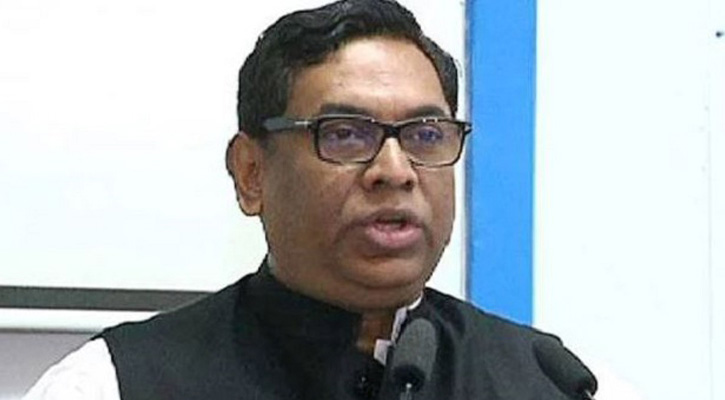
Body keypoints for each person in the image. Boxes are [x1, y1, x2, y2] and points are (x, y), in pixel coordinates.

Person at [24, 1, 593, 399]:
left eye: (425, 135)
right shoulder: (114, 385)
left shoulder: (549, 383)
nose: (394, 171)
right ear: (251, 174)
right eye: (345, 134)